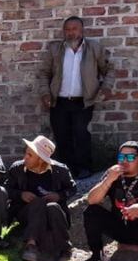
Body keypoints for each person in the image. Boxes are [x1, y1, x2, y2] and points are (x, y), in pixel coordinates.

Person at [37, 16, 112, 178]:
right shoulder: (55, 50)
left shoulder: (94, 48)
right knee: (61, 136)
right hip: (59, 101)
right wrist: (45, 92)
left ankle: (84, 169)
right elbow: (44, 73)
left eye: (74, 29)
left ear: (81, 30)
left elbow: (108, 69)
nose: (71, 33)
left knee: (81, 134)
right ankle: (65, 171)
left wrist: (106, 88)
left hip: (83, 101)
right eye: (68, 30)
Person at [7, 136, 76, 261]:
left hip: (53, 214)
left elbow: (72, 188)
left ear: (41, 160)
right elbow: (7, 189)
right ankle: (31, 245)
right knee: (38, 202)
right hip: (26, 213)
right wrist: (21, 194)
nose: (25, 157)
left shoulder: (60, 170)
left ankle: (65, 250)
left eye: (30, 155)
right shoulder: (17, 169)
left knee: (52, 206)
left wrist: (58, 195)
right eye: (26, 153)